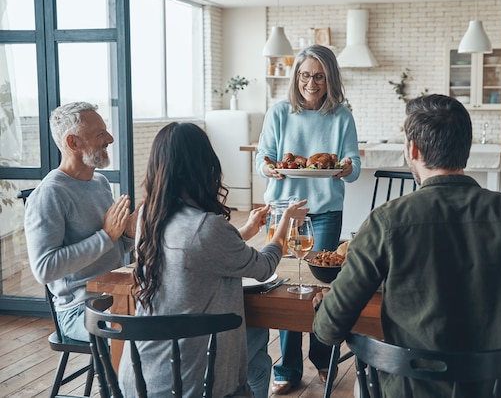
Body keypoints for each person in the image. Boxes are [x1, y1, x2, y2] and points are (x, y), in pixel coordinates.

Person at [311, 94, 501, 397]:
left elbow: (328, 329)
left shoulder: (385, 222)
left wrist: (325, 304)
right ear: (465, 150)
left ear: (412, 149)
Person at [118, 122, 308, 398]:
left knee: (257, 355)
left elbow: (197, 253)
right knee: (257, 338)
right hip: (188, 383)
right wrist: (285, 225)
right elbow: (264, 266)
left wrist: (246, 232)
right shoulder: (207, 227)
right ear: (203, 165)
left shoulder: (148, 215)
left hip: (139, 378)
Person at [255, 44, 361, 394]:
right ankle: (287, 368)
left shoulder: (341, 115)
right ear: (295, 77)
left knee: (320, 288)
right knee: (286, 288)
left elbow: (352, 166)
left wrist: (344, 168)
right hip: (285, 210)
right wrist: (270, 168)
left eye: (318, 76)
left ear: (329, 78)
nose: (311, 83)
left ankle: (322, 358)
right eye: (304, 75)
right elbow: (264, 159)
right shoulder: (280, 112)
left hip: (326, 211)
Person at [24, 102, 136, 342]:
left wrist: (128, 233)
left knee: (169, 315)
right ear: (73, 143)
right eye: (100, 133)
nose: (110, 139)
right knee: (143, 334)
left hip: (116, 295)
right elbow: (45, 269)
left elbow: (110, 248)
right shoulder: (49, 194)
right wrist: (106, 236)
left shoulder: (100, 183)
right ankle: (115, 381)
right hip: (79, 311)